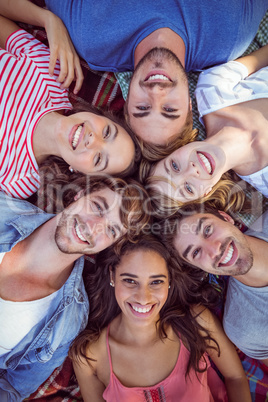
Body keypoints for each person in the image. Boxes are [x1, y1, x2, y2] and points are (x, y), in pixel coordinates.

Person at [0, 1, 267, 153]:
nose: (156, 92)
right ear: (189, 104)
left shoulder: (93, 41)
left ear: (126, 104)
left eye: (142, 108)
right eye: (170, 109)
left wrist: (49, 20)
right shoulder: (228, 38)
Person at [0, 175, 150, 401]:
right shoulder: (5, 210)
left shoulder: (68, 321)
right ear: (79, 194)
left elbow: (12, 389)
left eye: (111, 230)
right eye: (97, 207)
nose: (93, 227)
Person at [69, 235, 251, 402]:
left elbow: (235, 377)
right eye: (130, 281)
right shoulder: (89, 357)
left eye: (156, 282)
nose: (143, 297)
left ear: (170, 281)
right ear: (112, 276)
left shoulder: (197, 322)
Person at [0, 14, 139, 200]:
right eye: (106, 132)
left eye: (98, 159)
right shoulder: (53, 73)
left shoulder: (21, 181)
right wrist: (48, 19)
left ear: (80, 173)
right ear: (102, 115)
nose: (93, 140)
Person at [143, 44, 268, 207]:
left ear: (174, 148)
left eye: (174, 166)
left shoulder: (210, 90)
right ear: (206, 193)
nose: (191, 170)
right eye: (188, 188)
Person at [158, 204, 268, 368]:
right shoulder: (244, 329)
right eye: (196, 253)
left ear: (226, 218)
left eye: (208, 230)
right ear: (199, 268)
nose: (215, 250)